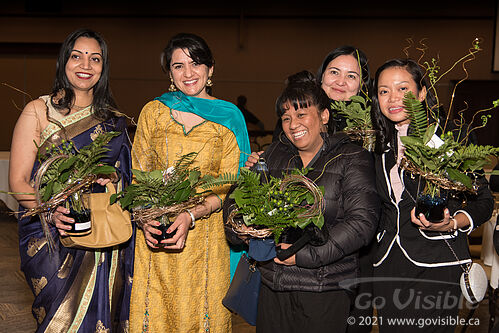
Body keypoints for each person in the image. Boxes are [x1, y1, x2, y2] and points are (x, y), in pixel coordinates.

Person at [225, 70, 379, 332]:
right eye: (286, 117)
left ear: (324, 116)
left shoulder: (352, 158)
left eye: (301, 114)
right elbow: (236, 200)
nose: (292, 124)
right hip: (273, 288)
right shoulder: (273, 155)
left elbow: (361, 223)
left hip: (325, 289)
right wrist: (244, 231)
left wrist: (305, 256)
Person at [9, 28, 134, 332]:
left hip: (103, 235)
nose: (85, 65)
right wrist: (51, 212)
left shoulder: (115, 122)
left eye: (95, 59)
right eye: (77, 56)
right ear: (64, 61)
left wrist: (115, 182)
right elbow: (19, 181)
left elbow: (130, 182)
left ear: (103, 68)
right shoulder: (38, 112)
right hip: (51, 234)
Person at [129, 33, 250, 332]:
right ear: (169, 73)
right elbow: (138, 173)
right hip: (156, 235)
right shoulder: (153, 112)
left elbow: (232, 186)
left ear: (211, 69)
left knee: (200, 316)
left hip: (206, 239)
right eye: (178, 66)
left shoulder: (229, 117)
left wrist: (190, 214)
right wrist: (146, 219)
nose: (188, 73)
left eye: (196, 63)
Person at [370, 58, 495, 332]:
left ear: (422, 92)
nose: (393, 98)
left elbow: (484, 201)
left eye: (403, 88)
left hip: (437, 262)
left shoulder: (450, 137)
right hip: (389, 264)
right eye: (383, 91)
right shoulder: (378, 144)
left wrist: (452, 222)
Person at [272, 45, 371, 141]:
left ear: (361, 85)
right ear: (322, 75)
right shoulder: (296, 109)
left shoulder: (370, 121)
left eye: (351, 76)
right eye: (334, 72)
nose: (340, 82)